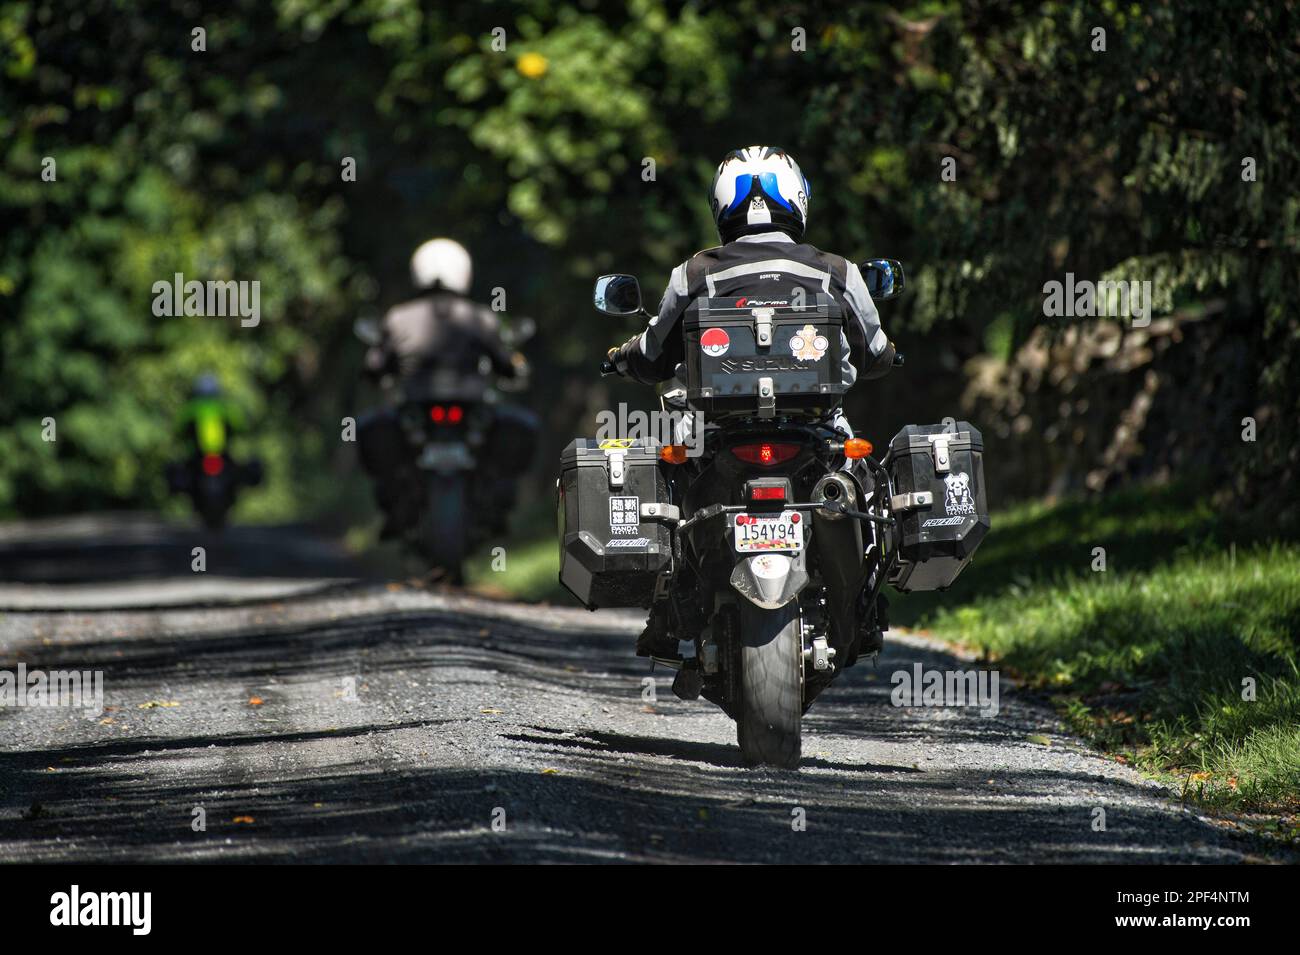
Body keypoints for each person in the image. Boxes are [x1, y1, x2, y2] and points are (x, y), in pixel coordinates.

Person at [604, 146, 898, 657]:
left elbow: (651, 355)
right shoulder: (837, 271)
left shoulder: (694, 273)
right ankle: (863, 607)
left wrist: (621, 356)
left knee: (671, 490)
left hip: (719, 434)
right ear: (798, 197)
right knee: (865, 488)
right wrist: (887, 355)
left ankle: (670, 607)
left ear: (721, 206)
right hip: (815, 430)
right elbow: (875, 351)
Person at [358, 238, 536, 539]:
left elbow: (375, 365)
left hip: (416, 405)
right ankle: (492, 511)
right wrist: (514, 370)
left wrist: (379, 374)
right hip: (471, 404)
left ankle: (397, 515)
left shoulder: (398, 316)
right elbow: (505, 362)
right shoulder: (480, 317)